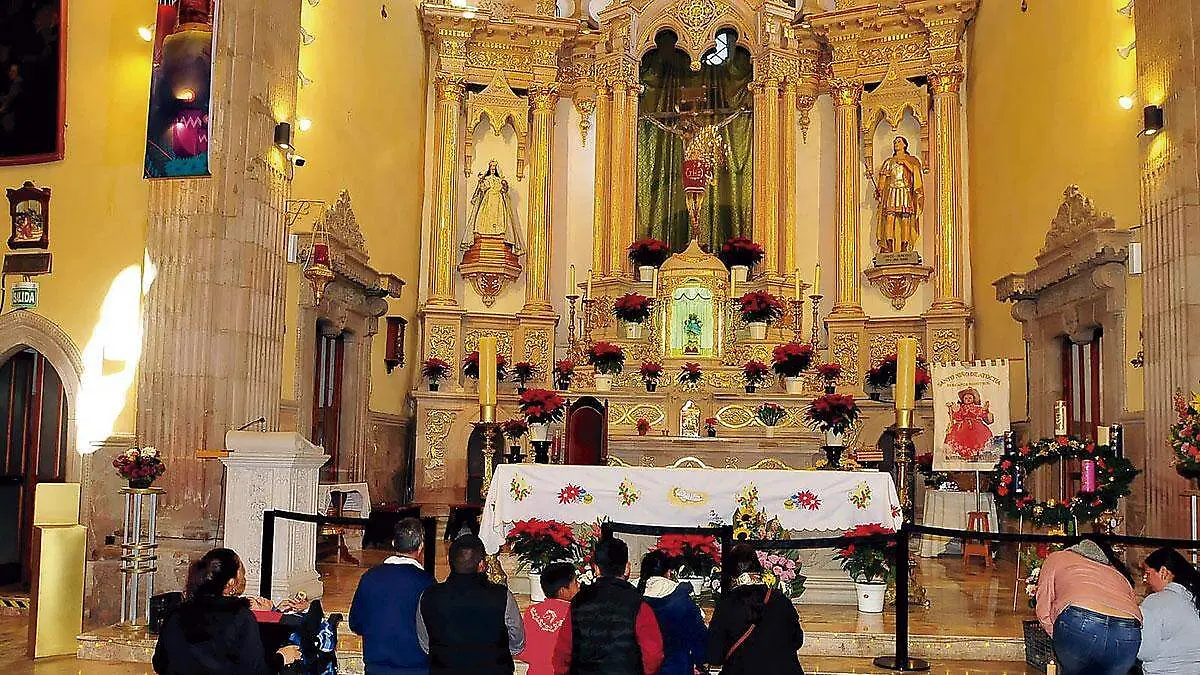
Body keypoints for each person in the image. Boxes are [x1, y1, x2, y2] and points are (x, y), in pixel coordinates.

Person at [152, 548, 300, 674]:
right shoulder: (240, 616)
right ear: (231, 582)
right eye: (241, 571)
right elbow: (255, 671)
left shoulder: (177, 611)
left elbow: (159, 663)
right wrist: (281, 657)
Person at [553, 537, 664, 675]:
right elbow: (653, 655)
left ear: (596, 569)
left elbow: (563, 653)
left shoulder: (578, 601)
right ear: (627, 568)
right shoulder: (638, 604)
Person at [417, 534, 525, 674]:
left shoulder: (428, 595)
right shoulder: (502, 596)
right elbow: (518, 641)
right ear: (481, 565)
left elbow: (425, 644)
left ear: (448, 560)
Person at [1034, 539, 1142, 675]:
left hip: (1081, 619)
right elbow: (1134, 603)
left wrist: (1058, 635)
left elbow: (1043, 605)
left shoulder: (1058, 557)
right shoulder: (1115, 572)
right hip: (1128, 629)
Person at [349, 517, 435, 675]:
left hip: (376, 667)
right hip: (416, 668)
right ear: (421, 546)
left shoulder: (369, 577)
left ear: (394, 543)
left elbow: (355, 623)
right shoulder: (426, 582)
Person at [707, 545, 803, 675]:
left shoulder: (727, 605)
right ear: (759, 569)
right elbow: (797, 640)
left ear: (730, 576)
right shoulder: (781, 599)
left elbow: (714, 656)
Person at [637, 550, 708, 675]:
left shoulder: (635, 596)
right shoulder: (681, 598)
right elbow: (698, 635)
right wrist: (700, 661)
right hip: (678, 666)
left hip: (643, 667)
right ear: (668, 572)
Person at [1137, 547, 1200, 674]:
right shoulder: (1193, 598)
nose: (1146, 580)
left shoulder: (1155, 601)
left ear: (1163, 572)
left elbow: (1145, 652)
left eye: (1147, 573)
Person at [516, 562, 579, 675]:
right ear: (562, 590)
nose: (579, 586)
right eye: (575, 583)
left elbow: (523, 652)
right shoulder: (576, 613)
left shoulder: (532, 611)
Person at [943, 387, 995, 460]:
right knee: (960, 438)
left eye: (970, 398)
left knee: (979, 437)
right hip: (963, 427)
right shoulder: (961, 408)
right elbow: (958, 417)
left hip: (976, 426)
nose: (968, 400)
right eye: (966, 398)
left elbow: (982, 414)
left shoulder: (976, 407)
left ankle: (977, 453)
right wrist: (955, 410)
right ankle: (964, 454)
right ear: (963, 400)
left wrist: (985, 410)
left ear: (974, 399)